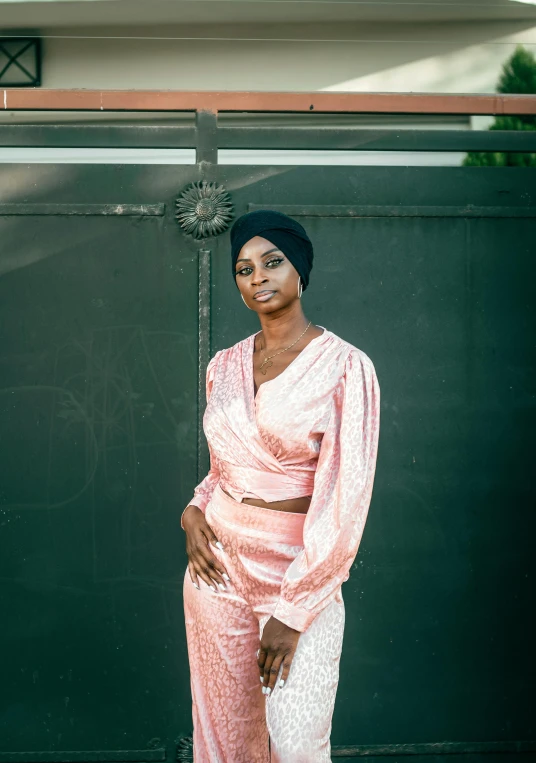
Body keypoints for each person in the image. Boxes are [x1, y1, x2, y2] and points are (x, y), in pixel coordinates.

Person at [181, 209, 380, 762]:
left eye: (273, 262)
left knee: (297, 746)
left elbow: (347, 497)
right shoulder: (223, 366)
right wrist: (193, 511)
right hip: (216, 571)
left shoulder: (345, 367)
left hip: (298, 575)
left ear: (300, 272)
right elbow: (223, 467)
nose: (258, 277)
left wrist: (292, 615)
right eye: (244, 269)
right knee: (225, 741)